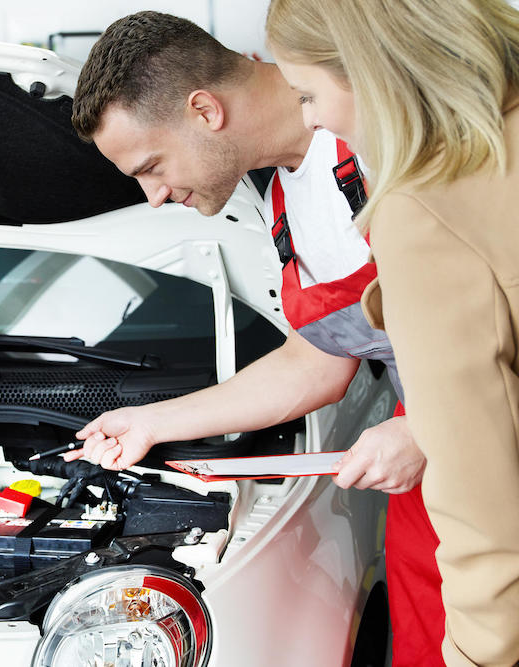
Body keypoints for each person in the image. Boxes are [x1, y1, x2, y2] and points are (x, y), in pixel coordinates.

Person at [68, 11, 442, 665]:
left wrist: (431, 426)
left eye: (151, 165)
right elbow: (319, 360)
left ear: (206, 109)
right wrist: (150, 422)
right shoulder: (281, 201)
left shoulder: (396, 134)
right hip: (427, 495)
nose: (152, 196)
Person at [265, 1, 519, 665]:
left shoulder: (428, 202)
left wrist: (477, 654)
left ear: (370, 69)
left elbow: (481, 492)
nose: (313, 118)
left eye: (310, 94)